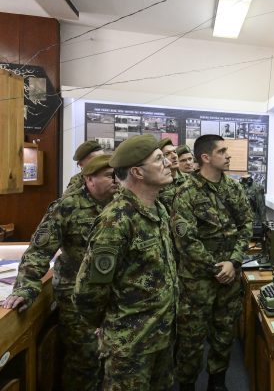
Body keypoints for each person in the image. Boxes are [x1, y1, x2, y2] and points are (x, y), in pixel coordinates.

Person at [3, 155, 117, 391]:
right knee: (84, 359)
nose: (116, 180)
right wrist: (26, 287)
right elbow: (38, 252)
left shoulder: (121, 205)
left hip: (113, 295)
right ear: (89, 179)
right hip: (76, 295)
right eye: (109, 175)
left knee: (114, 359)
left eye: (117, 175)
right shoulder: (67, 207)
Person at [73, 135, 178, 391]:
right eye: (159, 159)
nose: (168, 163)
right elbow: (88, 293)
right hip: (130, 347)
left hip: (161, 337)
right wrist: (110, 325)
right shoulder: (116, 220)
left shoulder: (158, 210)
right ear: (137, 173)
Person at [172, 135, 253, 391]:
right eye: (222, 151)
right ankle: (187, 385)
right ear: (205, 157)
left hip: (229, 278)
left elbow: (246, 226)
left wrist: (234, 261)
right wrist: (217, 267)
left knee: (224, 333)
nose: (228, 155)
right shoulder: (186, 192)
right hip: (197, 282)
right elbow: (186, 241)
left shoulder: (234, 189)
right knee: (191, 338)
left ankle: (217, 382)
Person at [157, 138, 188, 214]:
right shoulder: (158, 184)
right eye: (167, 154)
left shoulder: (188, 179)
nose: (174, 156)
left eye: (174, 152)